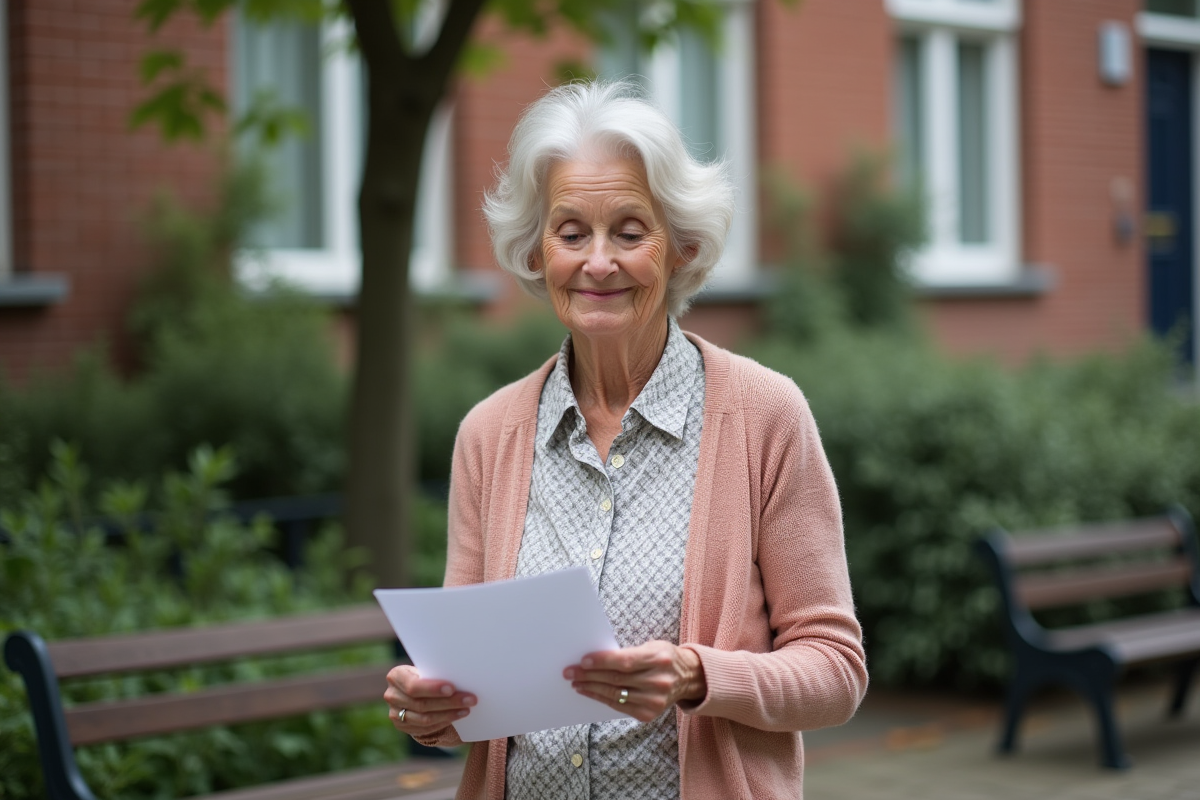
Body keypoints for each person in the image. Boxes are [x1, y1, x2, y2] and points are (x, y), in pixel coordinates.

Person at [384, 80, 867, 799]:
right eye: (571, 232)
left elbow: (836, 671)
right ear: (536, 251)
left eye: (630, 232)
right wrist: (433, 710)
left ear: (681, 248)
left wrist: (698, 675)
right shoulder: (489, 435)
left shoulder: (764, 416)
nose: (598, 262)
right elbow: (472, 694)